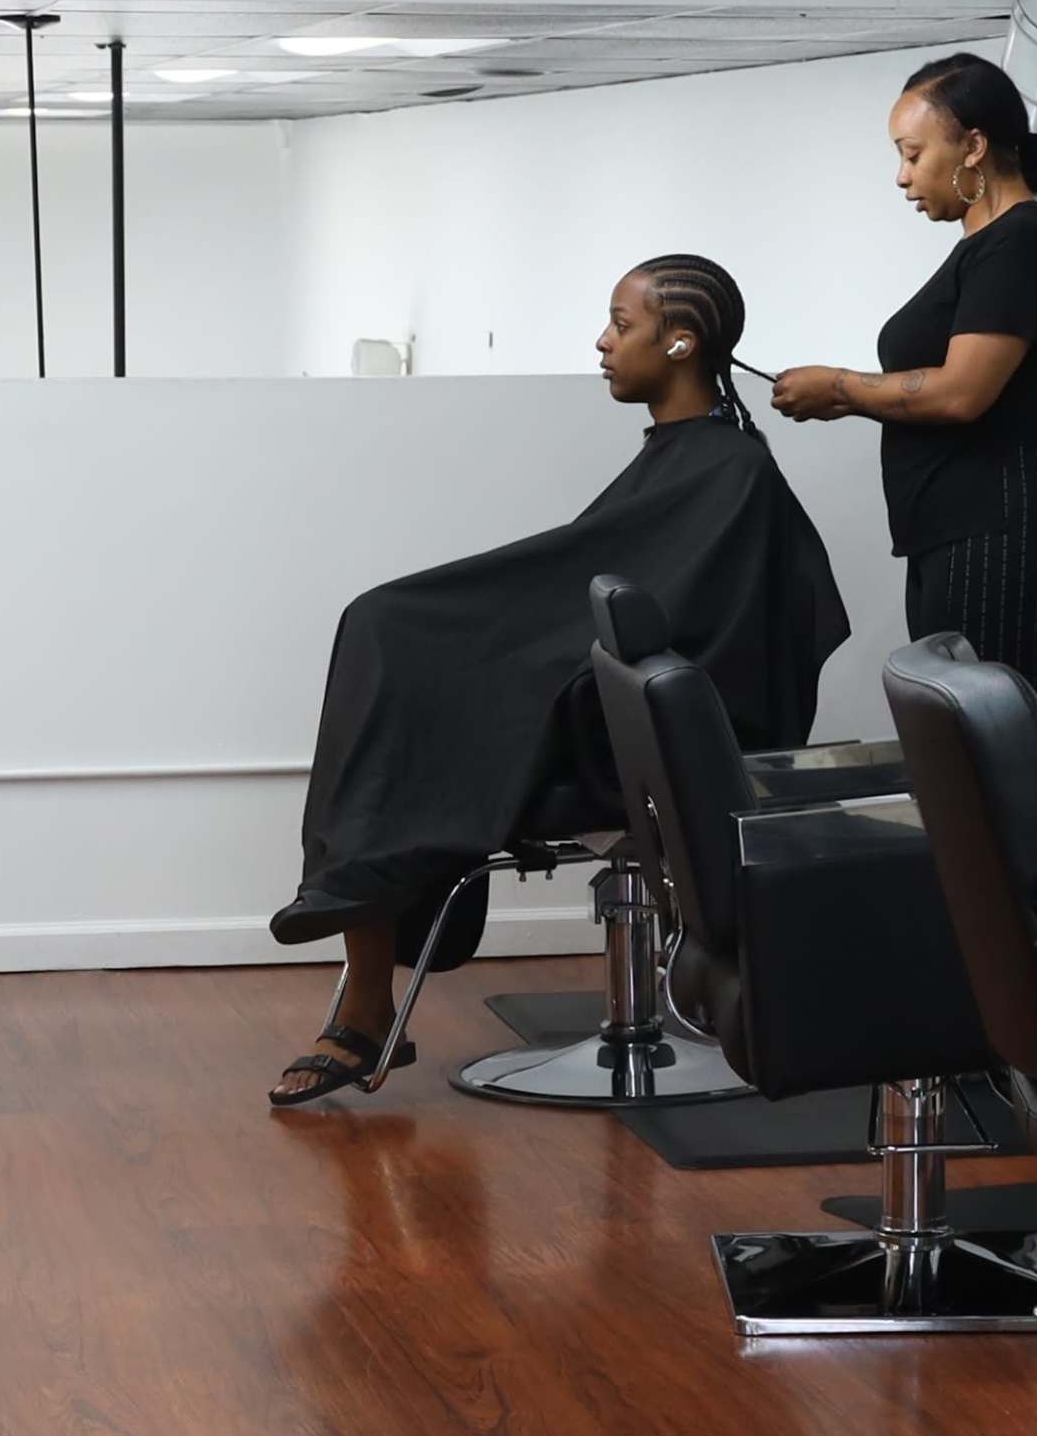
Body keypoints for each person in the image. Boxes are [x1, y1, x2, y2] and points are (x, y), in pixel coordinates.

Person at [266, 257, 849, 1107]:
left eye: (622, 323)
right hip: (607, 702)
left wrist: (542, 676)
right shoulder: (685, 461)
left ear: (680, 339)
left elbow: (695, 642)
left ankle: (361, 985)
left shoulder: (731, 474)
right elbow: (590, 591)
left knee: (418, 713)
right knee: (383, 630)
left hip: (647, 736)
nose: (604, 342)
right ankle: (355, 939)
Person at [767, 54, 1037, 684]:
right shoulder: (985, 247)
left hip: (1003, 526)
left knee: (981, 732)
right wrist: (844, 395)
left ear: (974, 146)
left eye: (913, 154)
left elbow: (961, 393)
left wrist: (839, 387)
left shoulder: (1019, 242)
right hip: (961, 528)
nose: (902, 176)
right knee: (954, 725)